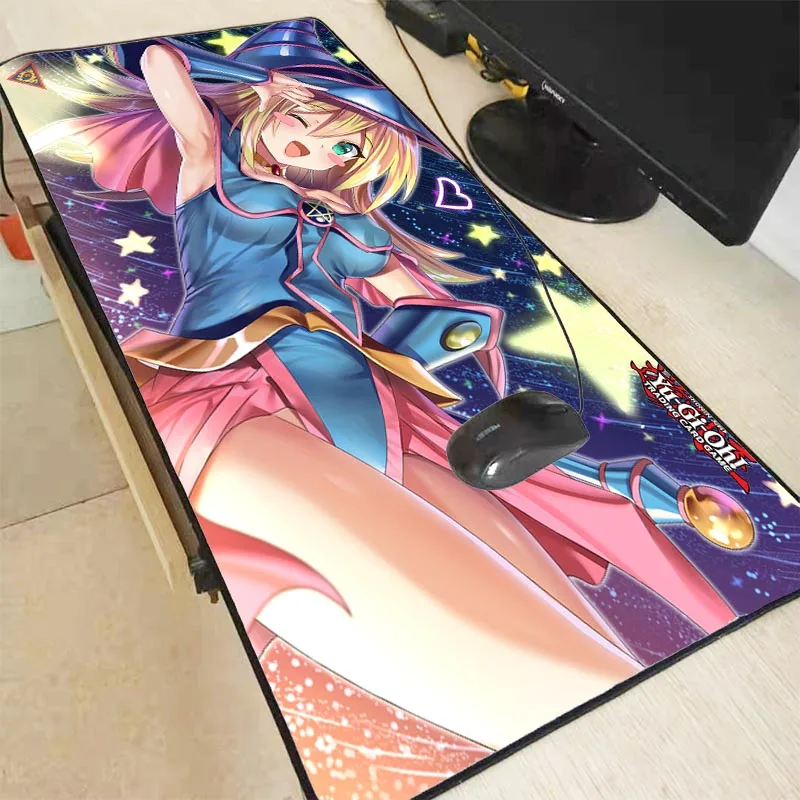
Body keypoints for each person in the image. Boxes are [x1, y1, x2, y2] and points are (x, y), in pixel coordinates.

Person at [34, 20, 752, 749]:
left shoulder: (356, 226)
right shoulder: (214, 169)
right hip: (233, 380)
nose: (318, 152)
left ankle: (685, 723)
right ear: (271, 105)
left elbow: (407, 292)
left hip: (362, 392)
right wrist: (260, 77)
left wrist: (460, 330)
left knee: (550, 605)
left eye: (345, 148)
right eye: (304, 125)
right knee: (459, 624)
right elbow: (162, 67)